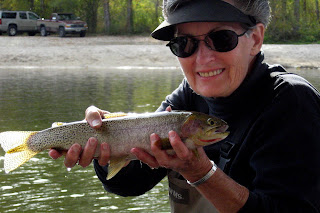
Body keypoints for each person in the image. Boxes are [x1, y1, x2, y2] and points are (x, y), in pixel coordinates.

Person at [49, 0, 320, 212]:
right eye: (184, 44)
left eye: (222, 38)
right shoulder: (189, 96)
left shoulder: (291, 103)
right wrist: (106, 143)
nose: (203, 59)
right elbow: (130, 183)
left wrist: (200, 172)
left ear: (256, 39)